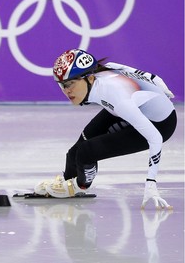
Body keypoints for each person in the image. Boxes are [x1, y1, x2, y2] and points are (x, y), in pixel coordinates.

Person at [34, 49, 176, 210]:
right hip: (131, 108)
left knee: (86, 151)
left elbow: (155, 138)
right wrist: (159, 85)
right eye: (62, 86)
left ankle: (79, 186)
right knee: (74, 152)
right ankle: (68, 183)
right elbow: (140, 73)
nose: (67, 91)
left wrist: (151, 182)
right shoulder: (104, 70)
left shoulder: (118, 99)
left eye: (70, 84)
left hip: (160, 124)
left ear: (90, 77)